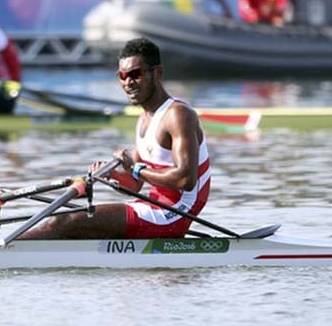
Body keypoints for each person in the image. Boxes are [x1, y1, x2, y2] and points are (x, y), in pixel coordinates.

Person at [21, 37, 210, 239]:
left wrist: (136, 168)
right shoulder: (144, 118)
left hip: (176, 212)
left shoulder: (177, 115)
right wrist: (112, 175)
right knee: (74, 223)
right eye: (122, 75)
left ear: (157, 73)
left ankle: (5, 254)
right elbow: (135, 184)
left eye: (135, 74)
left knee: (63, 221)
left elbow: (185, 179)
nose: (128, 82)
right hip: (154, 206)